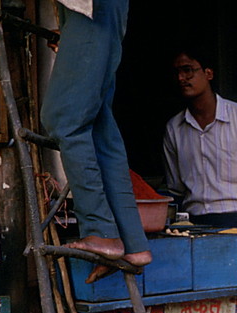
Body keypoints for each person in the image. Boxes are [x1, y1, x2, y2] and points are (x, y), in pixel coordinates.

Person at [41, 0, 152, 284]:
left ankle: (101, 231)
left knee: (64, 118)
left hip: (90, 6)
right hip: (98, 8)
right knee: (99, 124)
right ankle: (132, 242)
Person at [163, 47, 237, 228]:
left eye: (188, 70)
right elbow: (176, 187)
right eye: (177, 72)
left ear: (208, 73)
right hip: (197, 222)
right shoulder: (175, 128)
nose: (181, 78)